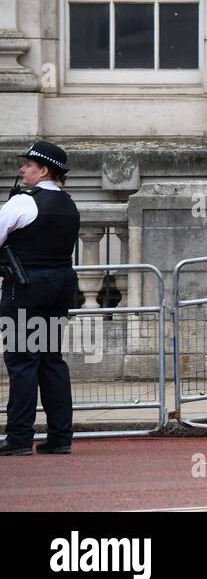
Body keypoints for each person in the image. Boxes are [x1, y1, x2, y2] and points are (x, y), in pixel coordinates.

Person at [0, 140, 81, 456]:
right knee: (51, 360)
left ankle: (19, 437)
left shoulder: (23, 202)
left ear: (43, 170)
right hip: (60, 286)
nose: (22, 169)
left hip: (26, 287)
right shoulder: (69, 203)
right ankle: (60, 437)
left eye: (28, 166)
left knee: (21, 360)